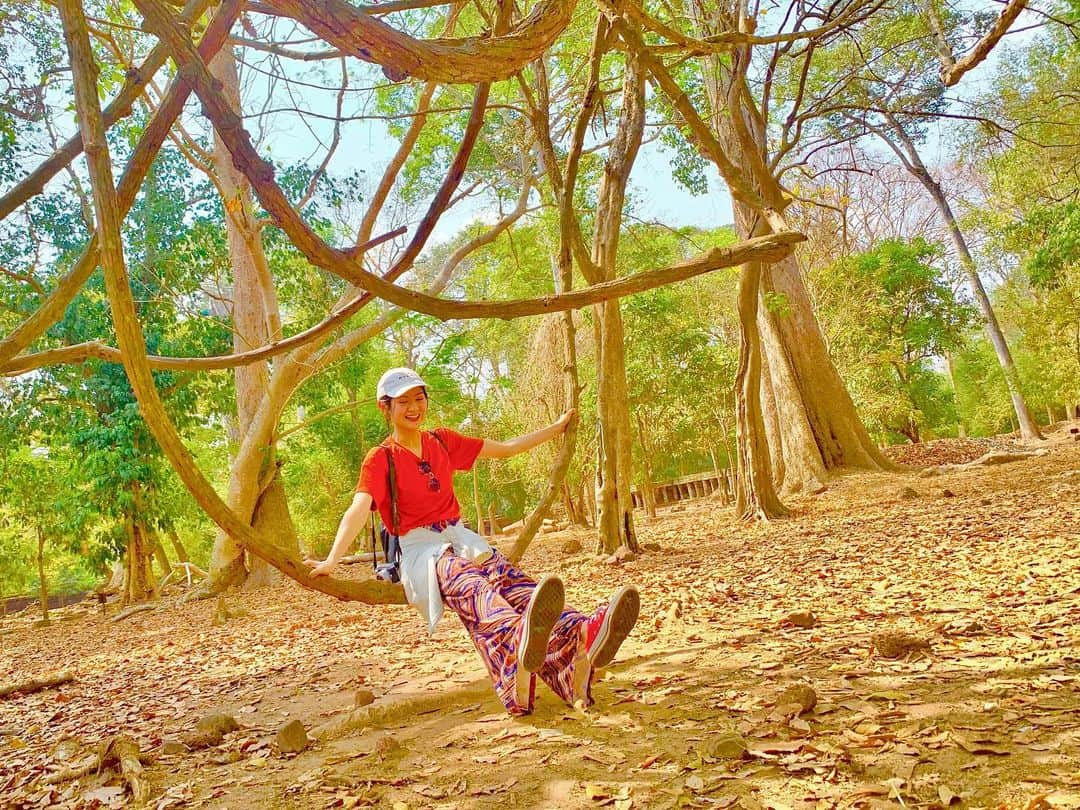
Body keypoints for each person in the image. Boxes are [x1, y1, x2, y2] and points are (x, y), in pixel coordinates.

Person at [306, 367, 640, 716]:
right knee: (475, 589)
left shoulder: (441, 441)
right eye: (403, 401)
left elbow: (506, 449)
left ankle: (582, 632)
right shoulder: (381, 458)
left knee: (515, 585)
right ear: (385, 407)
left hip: (460, 537)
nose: (413, 407)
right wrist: (331, 559)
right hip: (422, 550)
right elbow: (359, 508)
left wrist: (556, 429)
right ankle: (527, 642)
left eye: (418, 398)